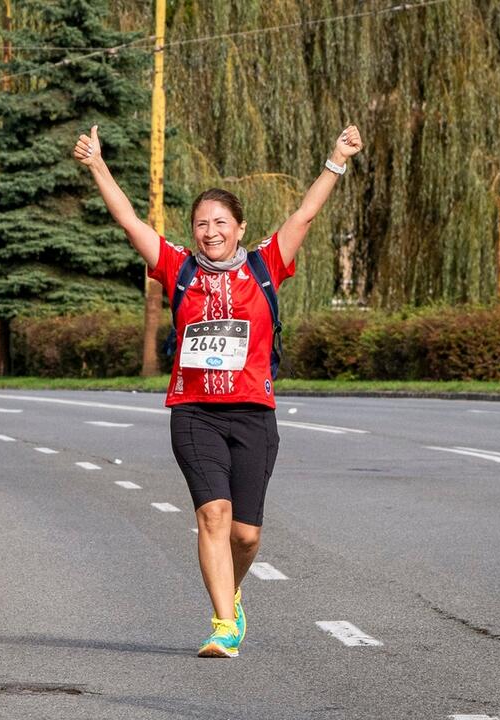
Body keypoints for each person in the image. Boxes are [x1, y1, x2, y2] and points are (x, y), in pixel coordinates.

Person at [75, 123, 363, 657]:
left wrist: (336, 158)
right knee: (213, 514)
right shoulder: (177, 267)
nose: (210, 232)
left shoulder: (265, 265)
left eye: (221, 223)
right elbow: (129, 219)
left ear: (240, 227)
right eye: (202, 224)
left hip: (254, 412)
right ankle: (224, 625)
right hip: (194, 411)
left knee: (247, 535)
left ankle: (231, 588)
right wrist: (97, 164)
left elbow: (304, 215)